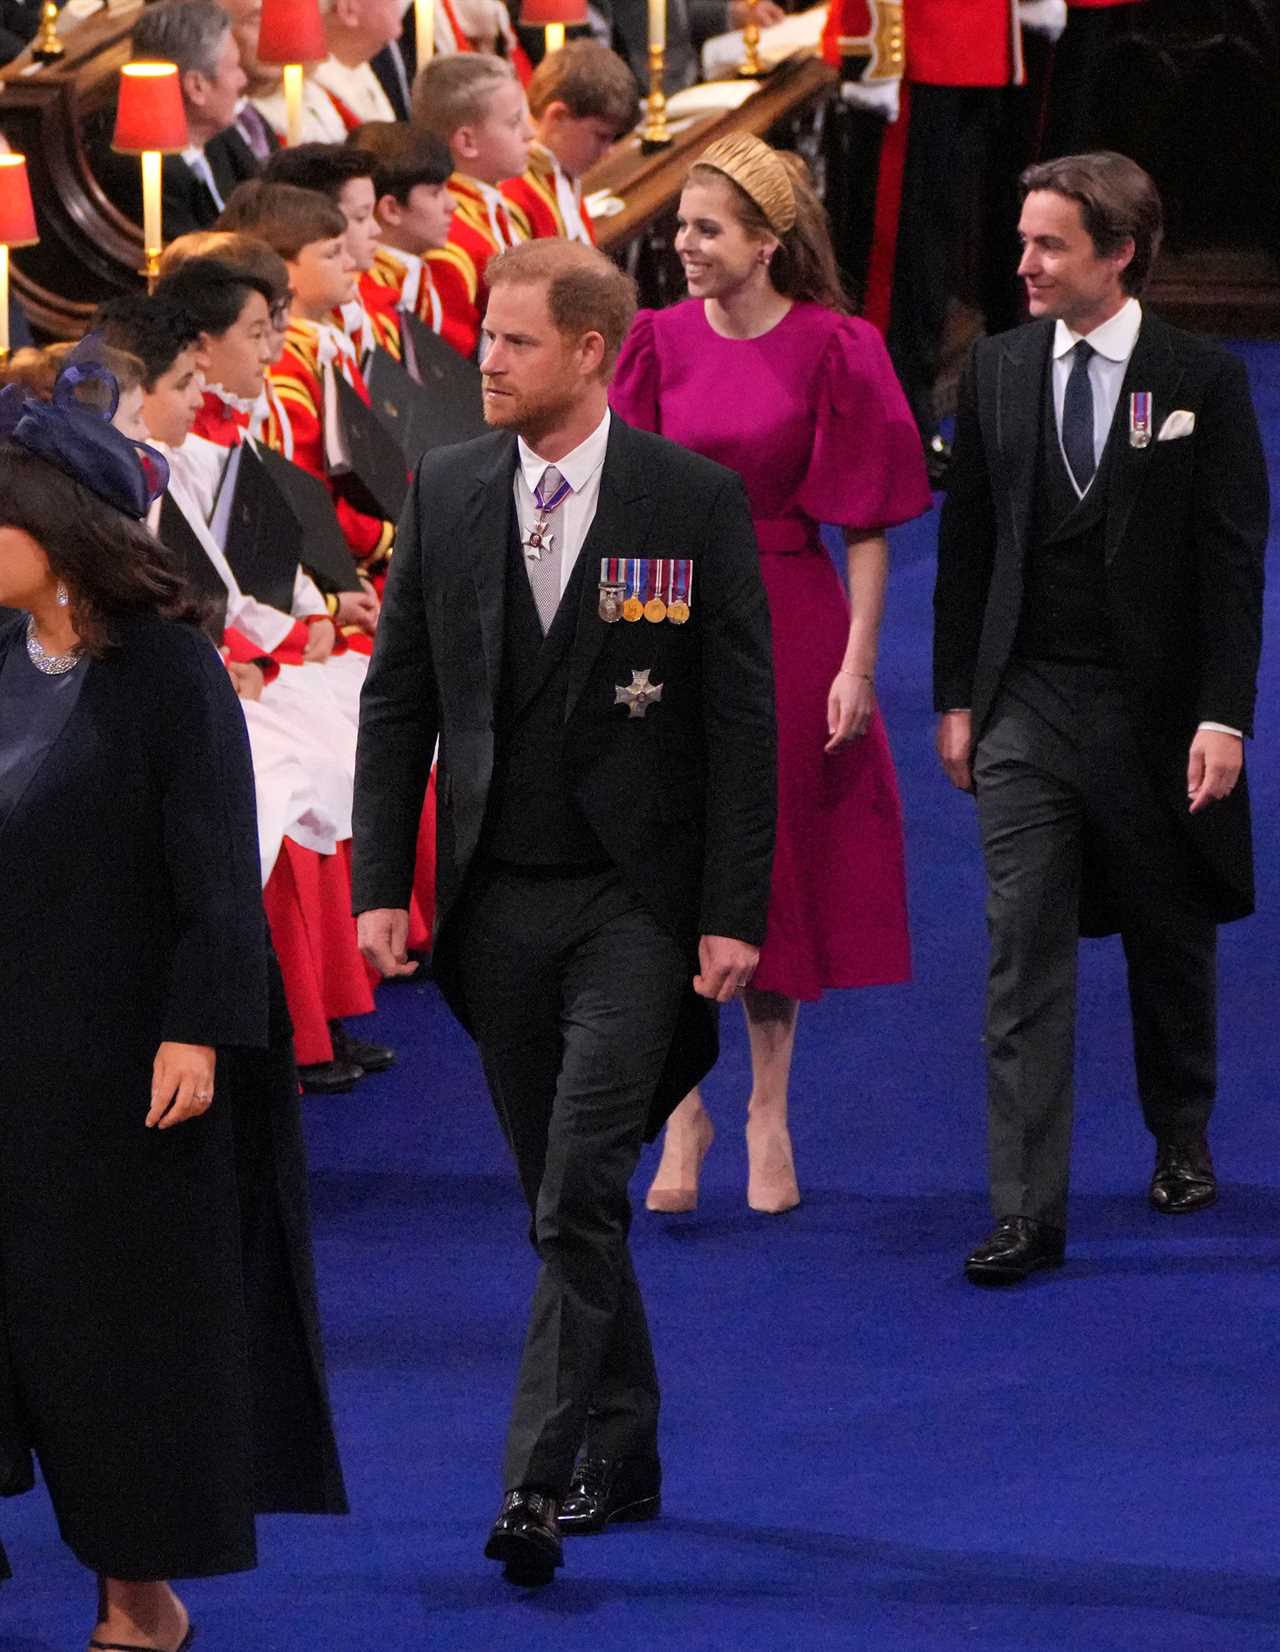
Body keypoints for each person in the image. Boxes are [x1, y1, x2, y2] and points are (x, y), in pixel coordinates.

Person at [353, 237, 775, 1584]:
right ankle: (632, 1445)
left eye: (517, 342)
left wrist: (732, 908)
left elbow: (740, 724)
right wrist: (377, 885)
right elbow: (398, 699)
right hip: (493, 910)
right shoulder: (449, 487)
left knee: (585, 1183)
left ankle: (538, 1482)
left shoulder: (690, 499)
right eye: (487, 336)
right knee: (562, 1198)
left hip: (637, 909)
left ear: (591, 354)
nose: (485, 359)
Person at [0, 367, 345, 1648]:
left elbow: (215, 869)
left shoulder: (165, 672)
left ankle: (138, 1599)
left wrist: (195, 1027)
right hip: (6, 1054)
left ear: (64, 529)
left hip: (125, 1072)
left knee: (114, 1347)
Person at [933, 151, 1269, 1284]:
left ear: (1117, 252)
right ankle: (1027, 1209)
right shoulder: (995, 369)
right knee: (1017, 947)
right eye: (1022, 241)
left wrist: (1222, 716)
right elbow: (967, 551)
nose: (1021, 264)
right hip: (1025, 699)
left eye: (1047, 245)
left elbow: (1232, 566)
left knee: (1167, 936)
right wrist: (954, 698)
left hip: (1155, 712)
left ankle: (1179, 1131)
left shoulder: (1198, 378)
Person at [611, 134, 930, 1214]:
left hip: (792, 612)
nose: (684, 245)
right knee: (660, 858)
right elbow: (624, 509)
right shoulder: (652, 341)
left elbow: (873, 524)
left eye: (706, 228)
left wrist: (857, 663)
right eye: (680, 227)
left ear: (767, 241)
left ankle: (765, 1108)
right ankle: (680, 1109)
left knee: (773, 861)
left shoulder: (837, 346)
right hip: (668, 612)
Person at [412, 53, 533, 359]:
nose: (530, 133)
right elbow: (456, 367)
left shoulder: (493, 208)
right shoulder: (452, 243)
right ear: (467, 142)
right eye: (514, 122)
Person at [124, 0, 257, 237]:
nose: (242, 80)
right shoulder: (151, 175)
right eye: (234, 68)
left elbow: (269, 208)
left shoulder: (223, 137)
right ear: (197, 86)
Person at [500, 41, 637, 245]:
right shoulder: (513, 192)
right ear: (558, 116)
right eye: (600, 137)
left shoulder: (561, 175)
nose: (607, 152)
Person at [350, 121, 458, 339]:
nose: (452, 204)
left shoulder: (414, 271)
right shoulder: (364, 295)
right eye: (436, 193)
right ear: (391, 209)